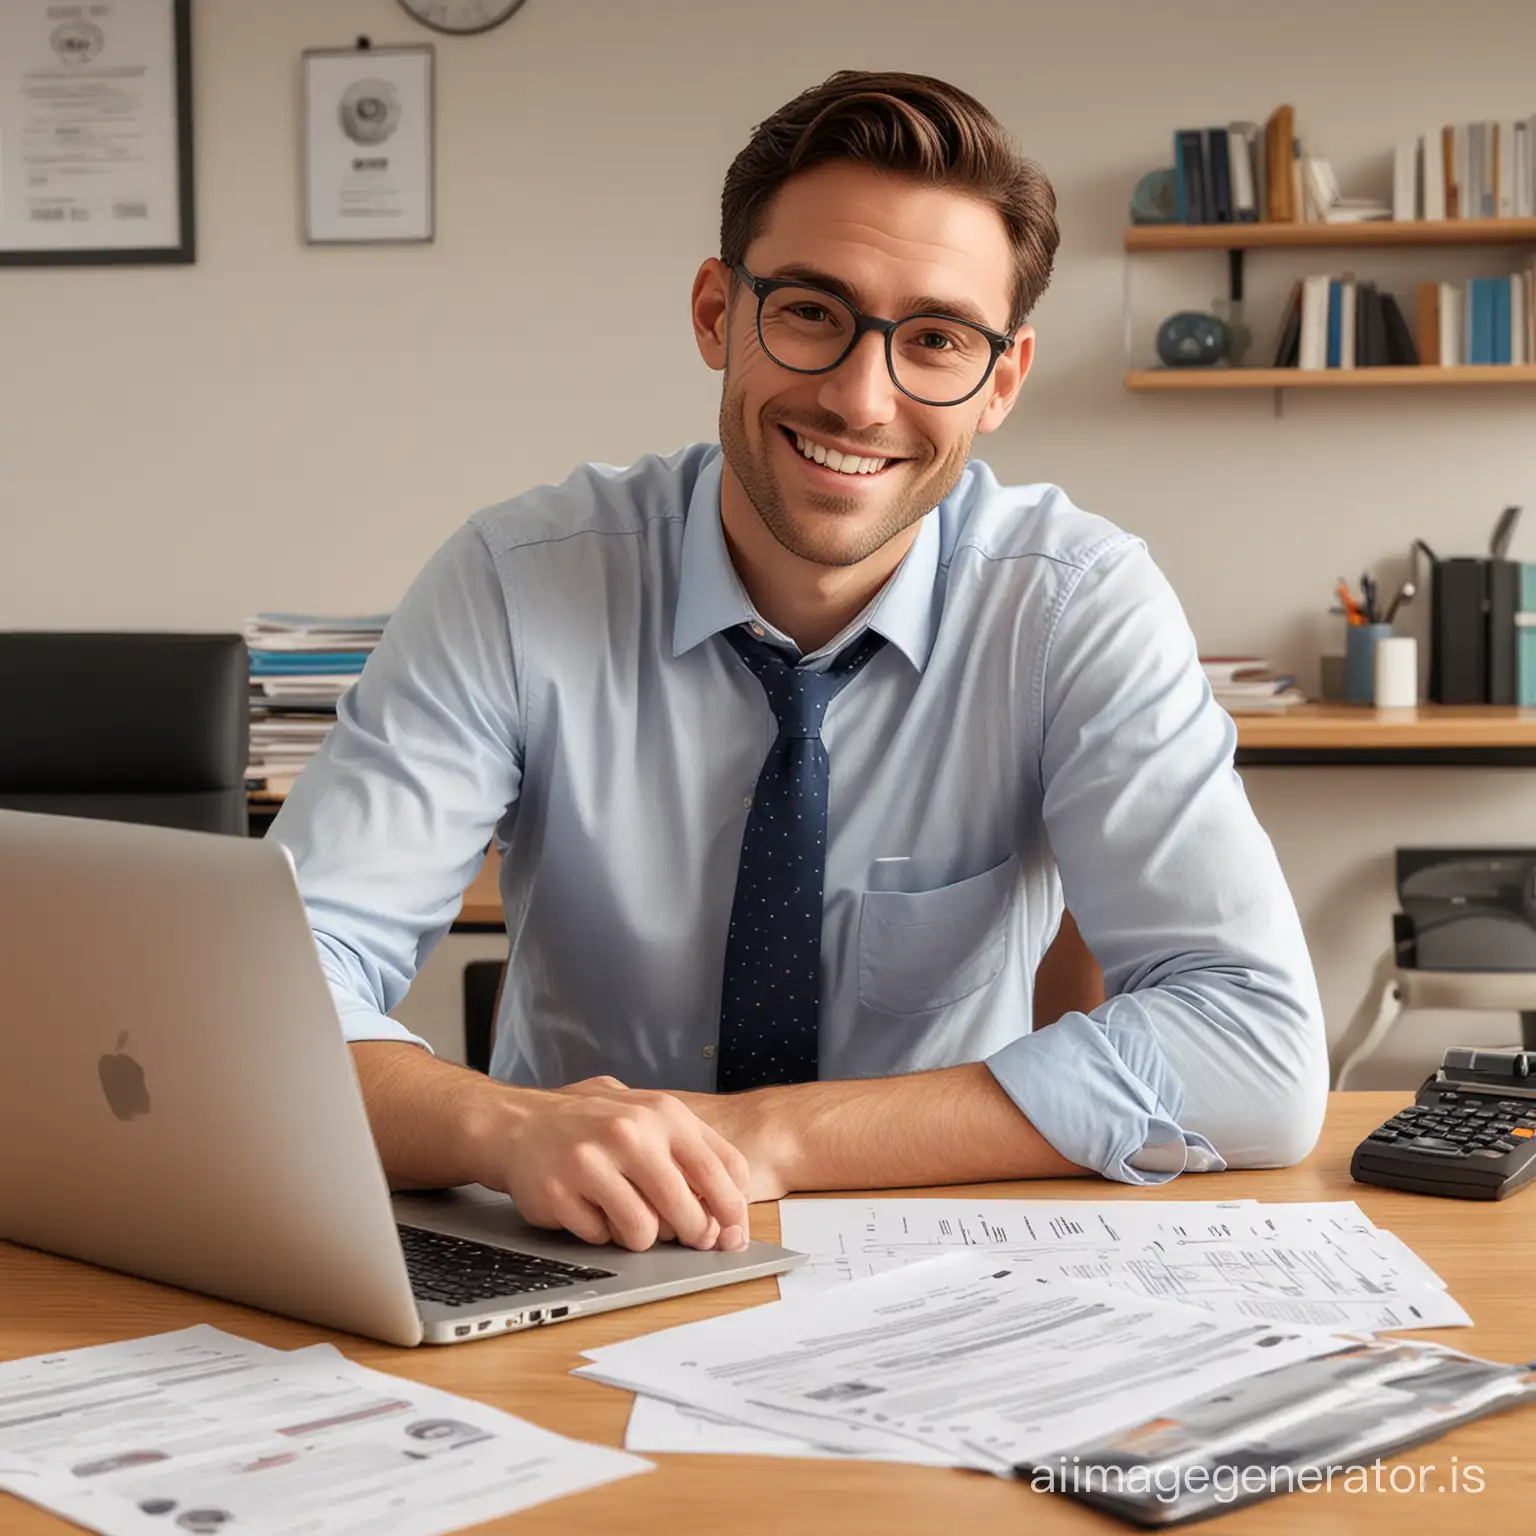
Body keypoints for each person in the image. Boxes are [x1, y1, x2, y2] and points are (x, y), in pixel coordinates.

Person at [270, 69, 1328, 1257]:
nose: (860, 398)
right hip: (570, 1249)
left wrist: (760, 1140)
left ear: (1002, 382)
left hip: (939, 1256)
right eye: (813, 312)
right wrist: (500, 1126)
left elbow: (1257, 1049)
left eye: (935, 339)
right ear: (719, 312)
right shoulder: (518, 579)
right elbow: (266, 1003)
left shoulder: (1073, 604)